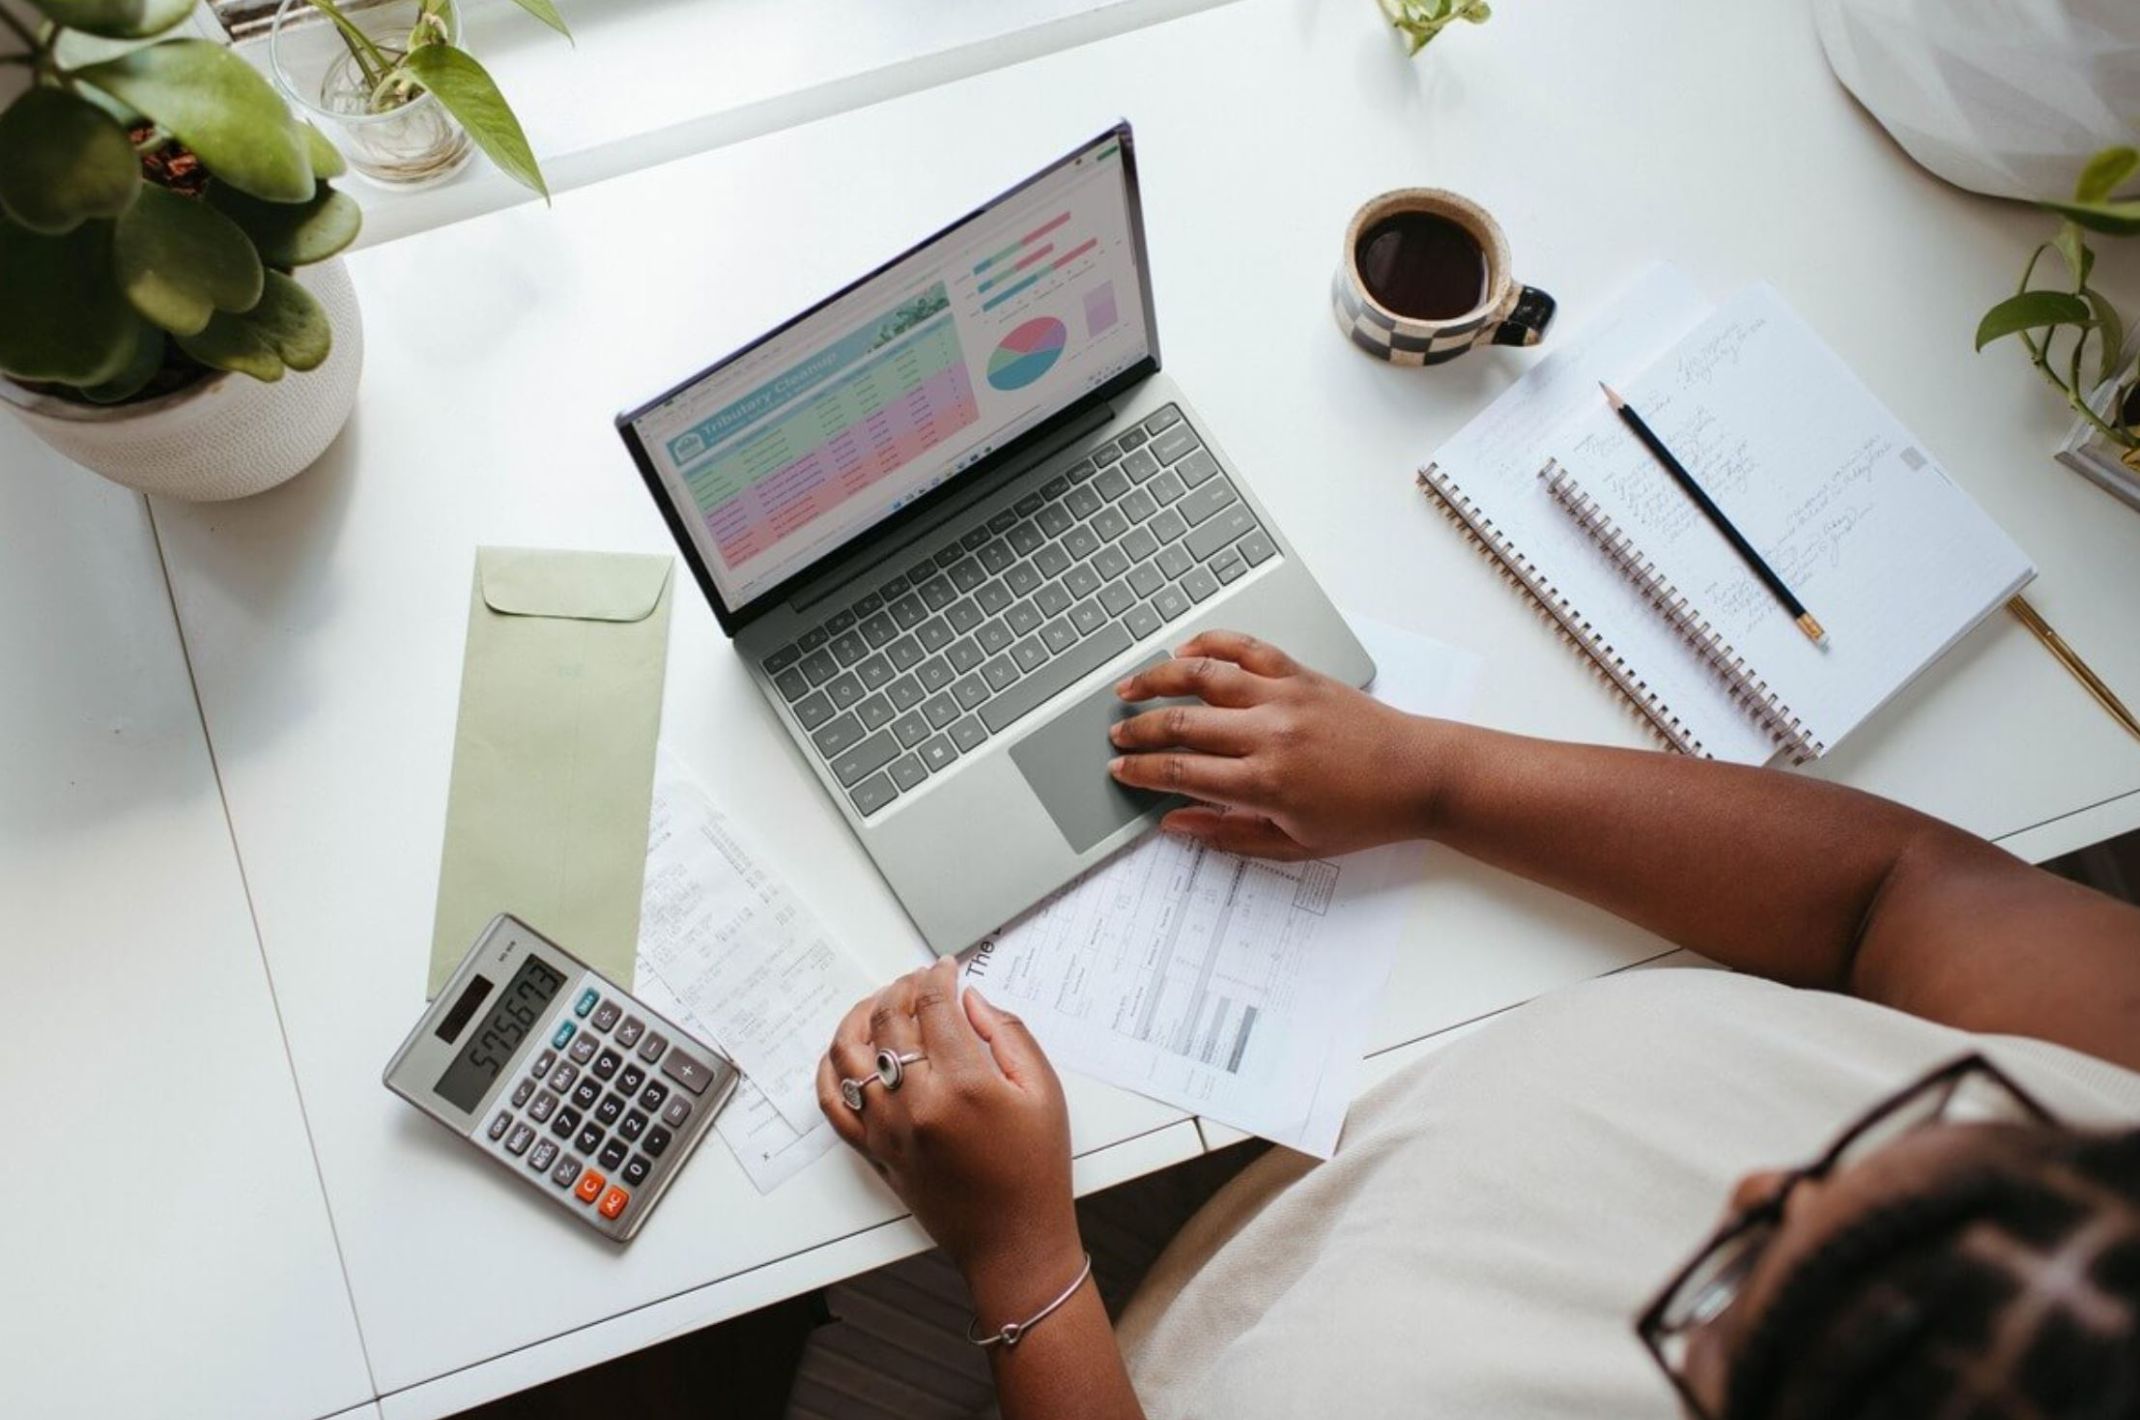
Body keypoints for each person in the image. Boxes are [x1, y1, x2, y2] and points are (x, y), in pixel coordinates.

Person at [815, 632, 2140, 1419]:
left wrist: (1021, 1261)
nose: (1750, 1181)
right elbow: (1900, 893)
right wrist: (1433, 776)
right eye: (1946, 1115)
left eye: (1731, 1288)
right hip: (1341, 1142)